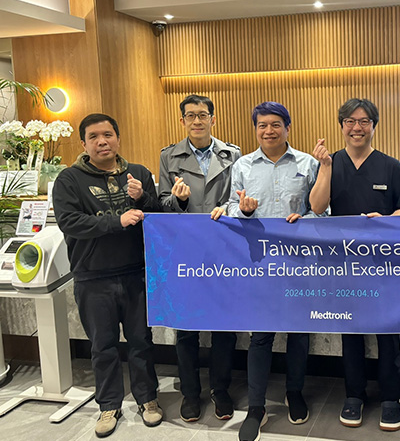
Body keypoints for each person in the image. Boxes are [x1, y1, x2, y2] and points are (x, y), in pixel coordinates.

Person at [214, 101, 325, 441]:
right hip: (259, 264)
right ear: (255, 130)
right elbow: (230, 206)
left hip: (299, 263)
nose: (269, 130)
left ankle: (294, 392)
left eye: (276, 124)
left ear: (288, 128)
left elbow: (323, 210)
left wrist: (305, 218)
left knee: (298, 332)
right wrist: (243, 210)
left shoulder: (307, 163)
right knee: (260, 336)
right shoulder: (243, 166)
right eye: (262, 125)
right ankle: (256, 407)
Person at [53, 113, 163, 438]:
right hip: (92, 277)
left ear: (117, 137)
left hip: (136, 274)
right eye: (94, 137)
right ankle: (109, 405)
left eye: (108, 135)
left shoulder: (138, 173)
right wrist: (117, 221)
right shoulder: (69, 179)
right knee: (103, 346)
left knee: (141, 342)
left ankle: (148, 399)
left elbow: (157, 218)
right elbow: (69, 222)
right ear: (83, 143)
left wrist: (143, 198)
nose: (102, 141)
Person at [309, 98, 400, 431]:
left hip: (383, 263)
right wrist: (324, 168)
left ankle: (391, 398)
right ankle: (354, 395)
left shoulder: (390, 166)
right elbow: (317, 206)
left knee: (387, 331)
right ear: (342, 126)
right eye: (350, 121)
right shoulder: (331, 162)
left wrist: (389, 219)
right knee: (350, 331)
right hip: (344, 264)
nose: (357, 128)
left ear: (374, 126)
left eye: (364, 121)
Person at [159, 94, 242, 422]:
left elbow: (238, 198)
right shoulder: (168, 156)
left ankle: (220, 389)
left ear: (213, 119)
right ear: (182, 121)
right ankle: (191, 393)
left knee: (225, 325)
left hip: (224, 251)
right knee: (186, 327)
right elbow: (161, 203)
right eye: (190, 115)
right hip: (186, 251)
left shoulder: (233, 154)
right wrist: (178, 201)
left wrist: (230, 208)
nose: (197, 121)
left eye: (203, 115)